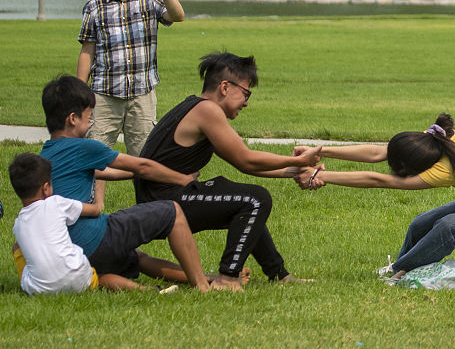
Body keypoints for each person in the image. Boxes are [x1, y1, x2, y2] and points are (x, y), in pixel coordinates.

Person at [137, 52, 319, 289]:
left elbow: (245, 165)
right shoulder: (207, 110)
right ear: (224, 87)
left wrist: (295, 170)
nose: (246, 102)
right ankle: (228, 277)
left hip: (166, 197)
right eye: (245, 93)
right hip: (164, 202)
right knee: (255, 200)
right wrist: (301, 160)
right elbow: (247, 160)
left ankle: (280, 275)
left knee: (246, 202)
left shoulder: (197, 108)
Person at [291, 113, 455, 280]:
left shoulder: (445, 169)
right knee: (422, 222)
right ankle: (402, 266)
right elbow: (378, 154)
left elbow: (378, 180)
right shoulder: (437, 139)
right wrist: (319, 153)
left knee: (449, 227)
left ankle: (399, 272)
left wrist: (320, 176)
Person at [36, 76, 213, 292]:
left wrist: (138, 175)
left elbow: (106, 172)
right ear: (73, 119)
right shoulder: (84, 147)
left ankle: (209, 278)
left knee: (136, 258)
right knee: (172, 211)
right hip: (95, 238)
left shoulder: (46, 154)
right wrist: (182, 178)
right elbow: (142, 166)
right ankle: (204, 286)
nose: (90, 123)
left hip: (74, 251)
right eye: (88, 118)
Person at [77, 0, 184, 157]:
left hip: (141, 94)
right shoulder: (95, 7)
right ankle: (96, 193)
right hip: (104, 94)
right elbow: (87, 51)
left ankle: (142, 192)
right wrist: (79, 93)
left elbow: (178, 15)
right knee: (95, 159)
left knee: (144, 159)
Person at [9, 152, 121, 294]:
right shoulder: (57, 203)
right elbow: (94, 211)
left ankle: (28, 285)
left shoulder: (18, 225)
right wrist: (99, 203)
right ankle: (146, 289)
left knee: (17, 247)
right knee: (100, 279)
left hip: (40, 290)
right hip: (79, 276)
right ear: (45, 188)